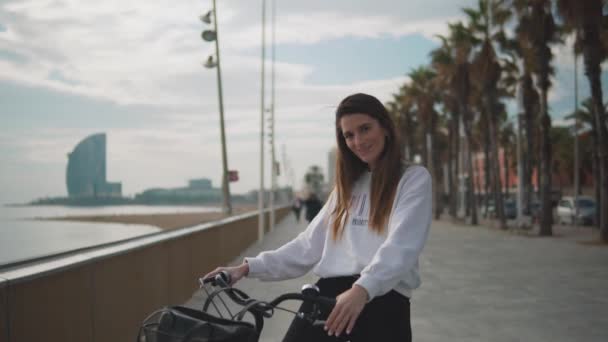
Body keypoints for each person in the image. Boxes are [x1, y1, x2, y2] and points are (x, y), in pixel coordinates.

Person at [203, 93, 432, 342]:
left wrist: (362, 289)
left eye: (365, 129)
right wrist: (247, 267)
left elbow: (402, 245)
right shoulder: (347, 187)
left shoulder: (412, 178)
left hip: (381, 301)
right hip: (327, 298)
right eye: (349, 135)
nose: (358, 140)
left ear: (385, 128)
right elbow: (307, 245)